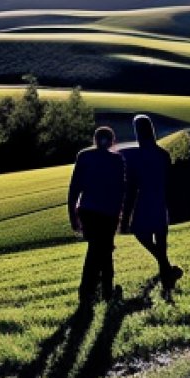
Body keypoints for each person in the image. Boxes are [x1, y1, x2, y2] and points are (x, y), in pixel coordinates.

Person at [123, 114, 183, 294]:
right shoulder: (163, 154)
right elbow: (170, 181)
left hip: (144, 201)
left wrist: (126, 216)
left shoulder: (137, 156)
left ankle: (166, 269)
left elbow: (132, 187)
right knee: (161, 240)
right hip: (159, 200)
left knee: (141, 234)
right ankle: (167, 274)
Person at [67, 126, 126, 305]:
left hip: (88, 210)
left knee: (98, 248)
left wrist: (73, 214)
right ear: (113, 140)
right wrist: (120, 214)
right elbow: (120, 190)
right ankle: (92, 290)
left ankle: (102, 290)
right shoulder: (117, 160)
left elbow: (74, 187)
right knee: (102, 249)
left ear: (94, 139)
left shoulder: (84, 156)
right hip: (108, 212)